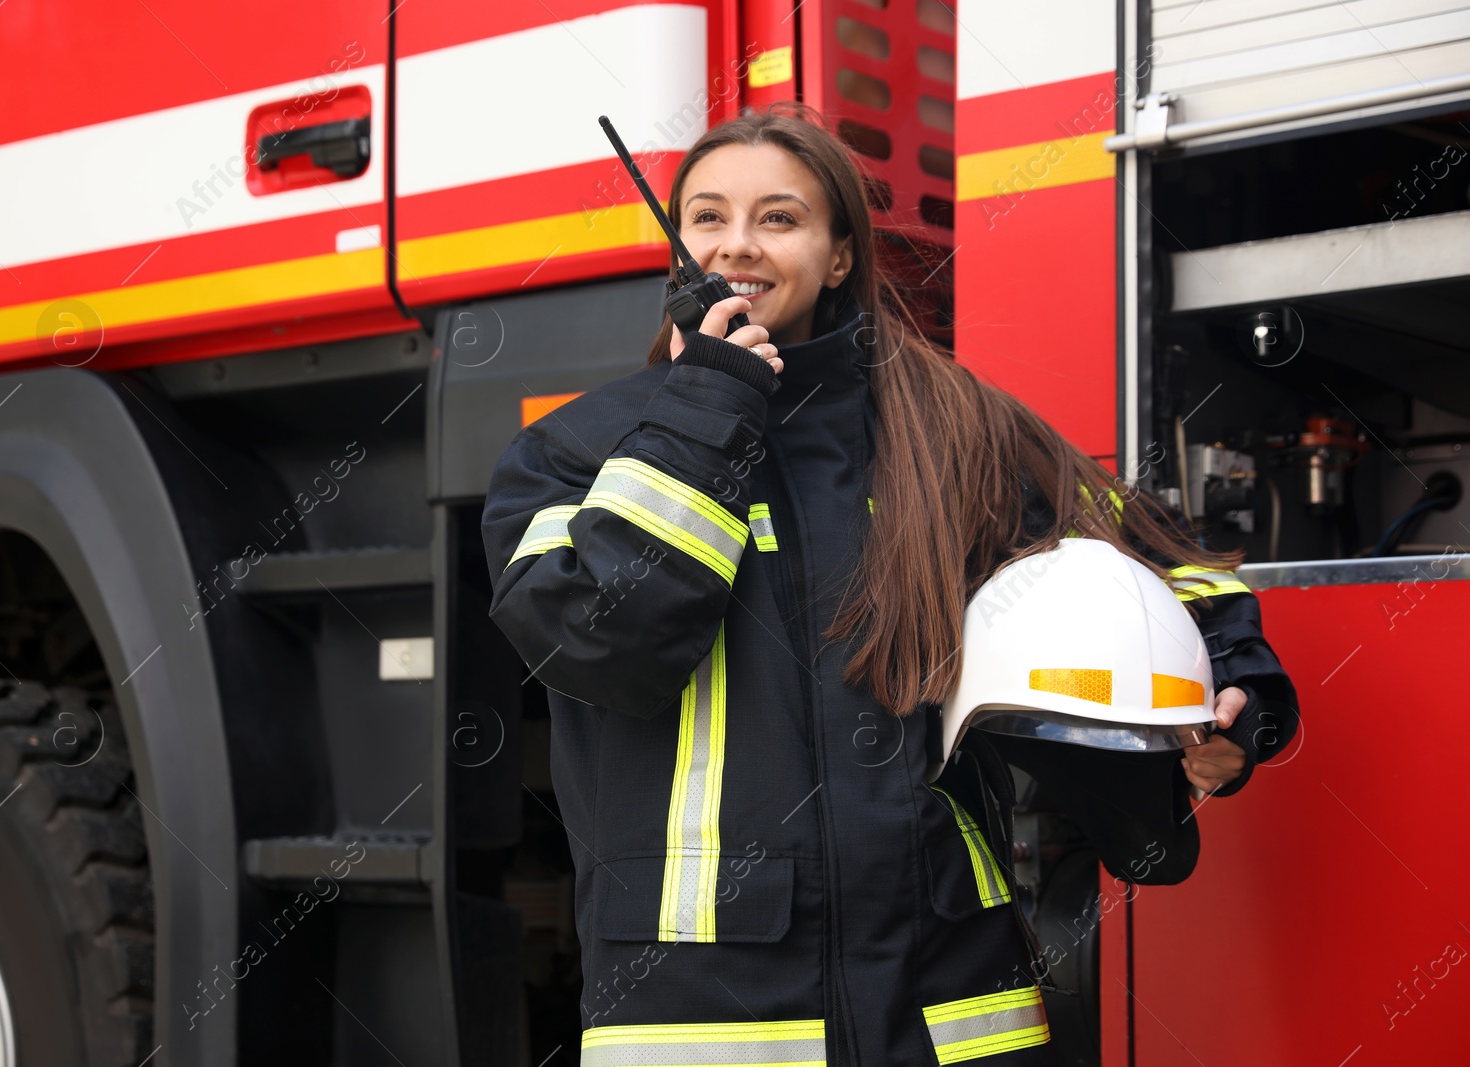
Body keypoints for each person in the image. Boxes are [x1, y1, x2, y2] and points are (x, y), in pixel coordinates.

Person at [481, 103, 1298, 1066]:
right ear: (678, 240)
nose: (737, 244)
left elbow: (1157, 560)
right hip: (710, 1019)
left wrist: (1239, 698)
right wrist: (705, 406)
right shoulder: (574, 448)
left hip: (955, 1004)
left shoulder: (950, 428)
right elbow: (599, 643)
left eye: (779, 218)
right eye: (708, 216)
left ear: (837, 256)